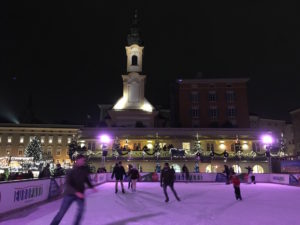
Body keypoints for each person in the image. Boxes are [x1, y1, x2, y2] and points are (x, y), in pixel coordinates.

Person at [50, 154, 97, 225]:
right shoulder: (71, 171)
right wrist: (76, 192)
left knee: (81, 210)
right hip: (69, 194)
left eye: (84, 160)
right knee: (62, 212)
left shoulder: (85, 170)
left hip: (80, 194)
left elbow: (86, 179)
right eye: (82, 160)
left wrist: (92, 187)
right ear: (77, 161)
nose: (83, 162)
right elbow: (68, 184)